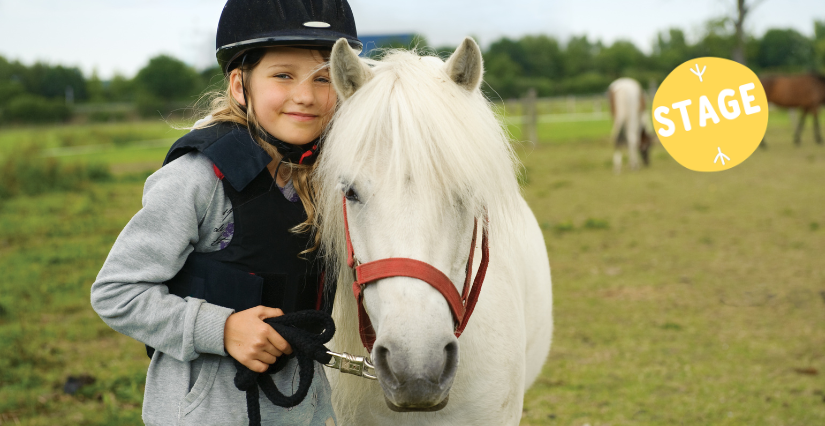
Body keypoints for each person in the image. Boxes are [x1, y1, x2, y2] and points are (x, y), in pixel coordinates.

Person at [90, 0, 361, 424]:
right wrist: (222, 329)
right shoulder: (197, 179)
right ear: (240, 85)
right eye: (283, 75)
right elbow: (117, 292)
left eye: (323, 78)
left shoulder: (334, 183)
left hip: (306, 410)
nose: (306, 95)